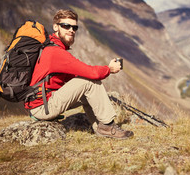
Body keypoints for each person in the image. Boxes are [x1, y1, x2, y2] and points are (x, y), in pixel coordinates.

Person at [25, 9, 134, 139]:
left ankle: (99, 127)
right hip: (43, 108)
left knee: (87, 85)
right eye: (66, 26)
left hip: (44, 102)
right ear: (55, 27)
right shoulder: (55, 52)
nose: (71, 30)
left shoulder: (52, 48)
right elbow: (91, 73)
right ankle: (107, 126)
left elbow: (74, 77)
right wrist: (109, 69)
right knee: (89, 81)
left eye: (74, 27)